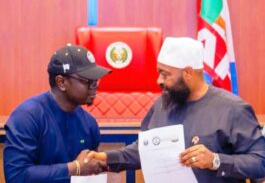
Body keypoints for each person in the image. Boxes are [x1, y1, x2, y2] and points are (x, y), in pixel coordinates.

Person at [88, 37, 265, 183]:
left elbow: (260, 161)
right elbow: (145, 150)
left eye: (165, 74)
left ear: (188, 73)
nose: (158, 80)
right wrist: (106, 158)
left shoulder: (233, 109)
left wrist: (215, 161)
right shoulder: (162, 104)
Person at [4, 44, 111, 183]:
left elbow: (88, 174)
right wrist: (75, 168)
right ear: (61, 82)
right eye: (87, 80)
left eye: (96, 80)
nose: (95, 86)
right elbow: (16, 176)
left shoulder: (90, 123)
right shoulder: (27, 116)